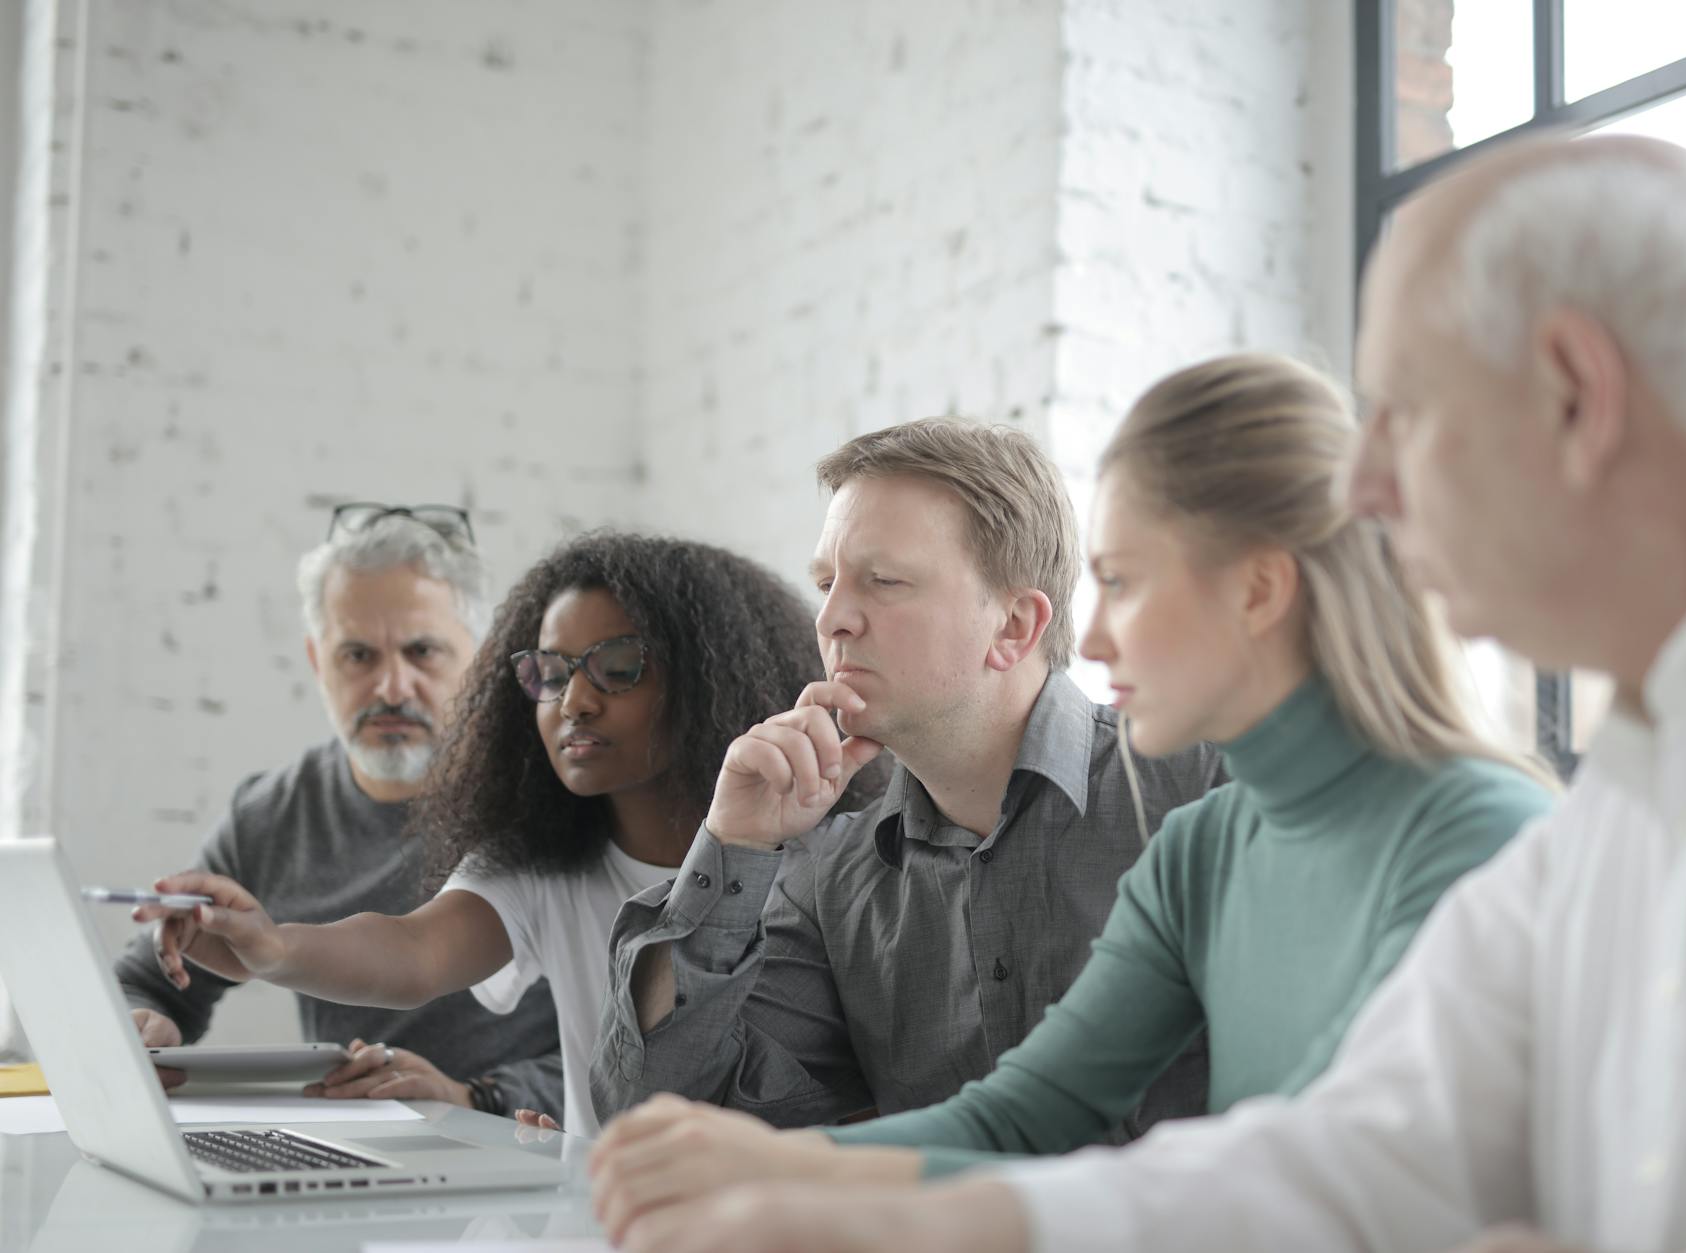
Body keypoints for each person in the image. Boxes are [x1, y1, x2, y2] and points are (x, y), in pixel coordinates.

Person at [621, 134, 1686, 1253]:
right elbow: (1358, 1157)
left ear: (1572, 394)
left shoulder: (1523, 822)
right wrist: (880, 1207)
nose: (1367, 491)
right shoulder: (1621, 816)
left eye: (1403, 413)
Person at [580, 353, 1556, 1241]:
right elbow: (1021, 1115)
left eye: (1122, 583)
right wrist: (777, 1164)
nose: (1088, 644)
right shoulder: (1209, 845)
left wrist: (871, 1208)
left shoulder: (1470, 833)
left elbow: (1322, 1172)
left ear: (1257, 591)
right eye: (829, 581)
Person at [584, 419, 1225, 1142]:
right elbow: (654, 1117)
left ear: (1013, 625)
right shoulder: (829, 879)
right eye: (826, 583)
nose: (831, 620)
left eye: (882, 581)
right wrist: (731, 843)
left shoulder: (1209, 791)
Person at [138, 531, 864, 1137]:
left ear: (709, 680)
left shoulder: (819, 856)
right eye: (551, 673)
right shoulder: (542, 864)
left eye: (618, 669)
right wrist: (274, 946)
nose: (574, 701)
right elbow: (415, 950)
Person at [115, 504, 563, 1117]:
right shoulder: (270, 816)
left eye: (422, 651)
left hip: (529, 1165)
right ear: (315, 660)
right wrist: (146, 1025)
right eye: (358, 656)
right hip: (350, 1166)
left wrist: (475, 1099)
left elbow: (637, 1053)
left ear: (481, 660)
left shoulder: (550, 802)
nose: (391, 688)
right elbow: (148, 980)